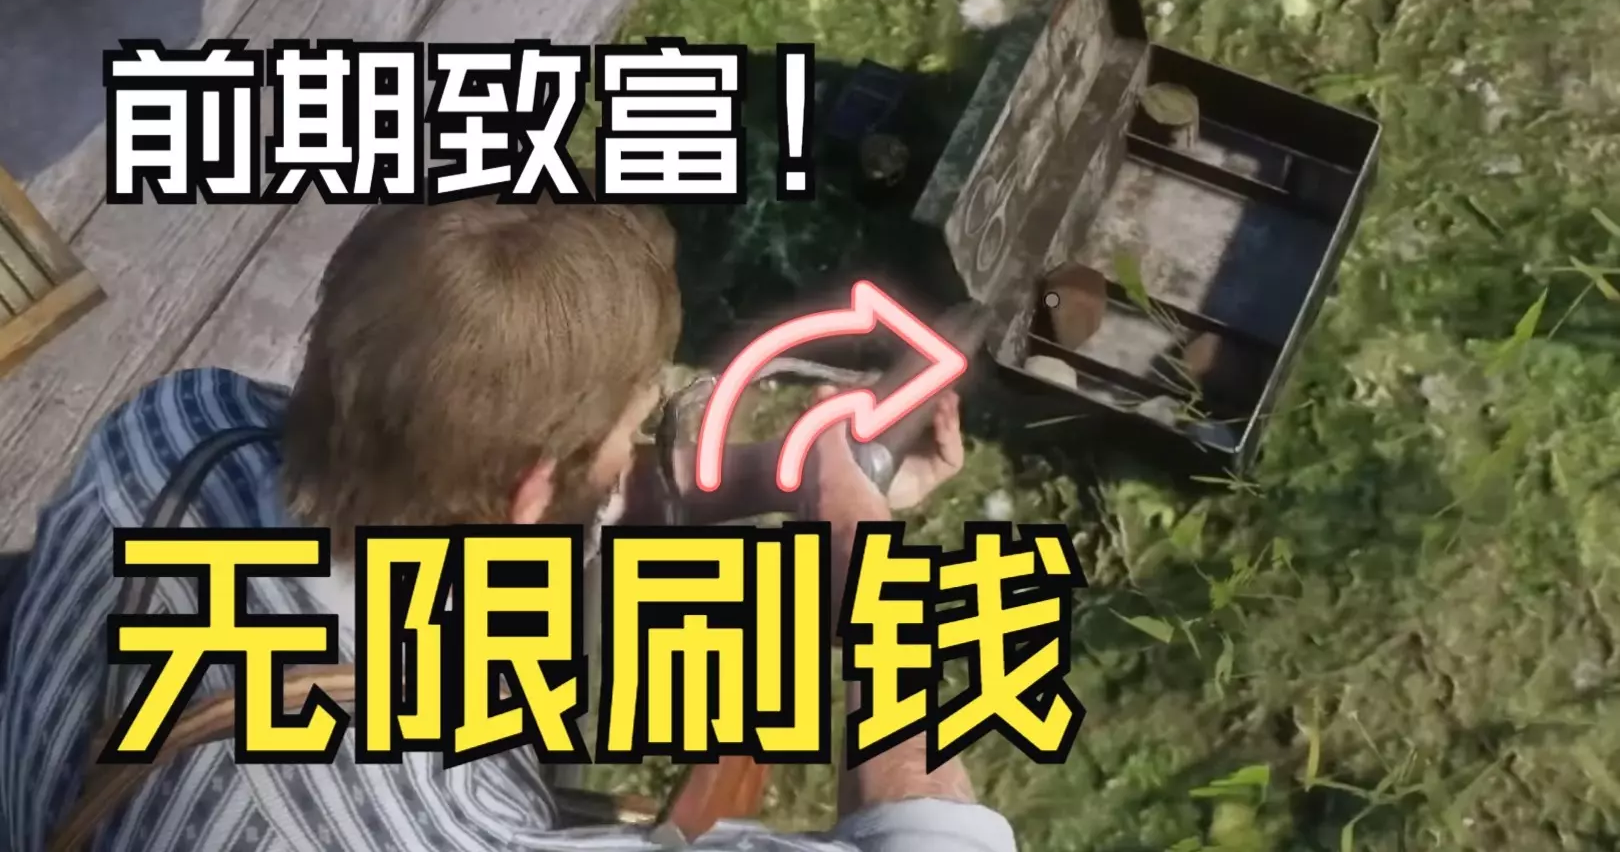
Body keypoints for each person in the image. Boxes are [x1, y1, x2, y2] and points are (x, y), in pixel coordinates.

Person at [0, 196, 1017, 852]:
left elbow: (466, 476)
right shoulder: (445, 830)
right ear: (532, 492)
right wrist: (855, 537)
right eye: (637, 424)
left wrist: (777, 475)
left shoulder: (173, 424)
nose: (639, 441)